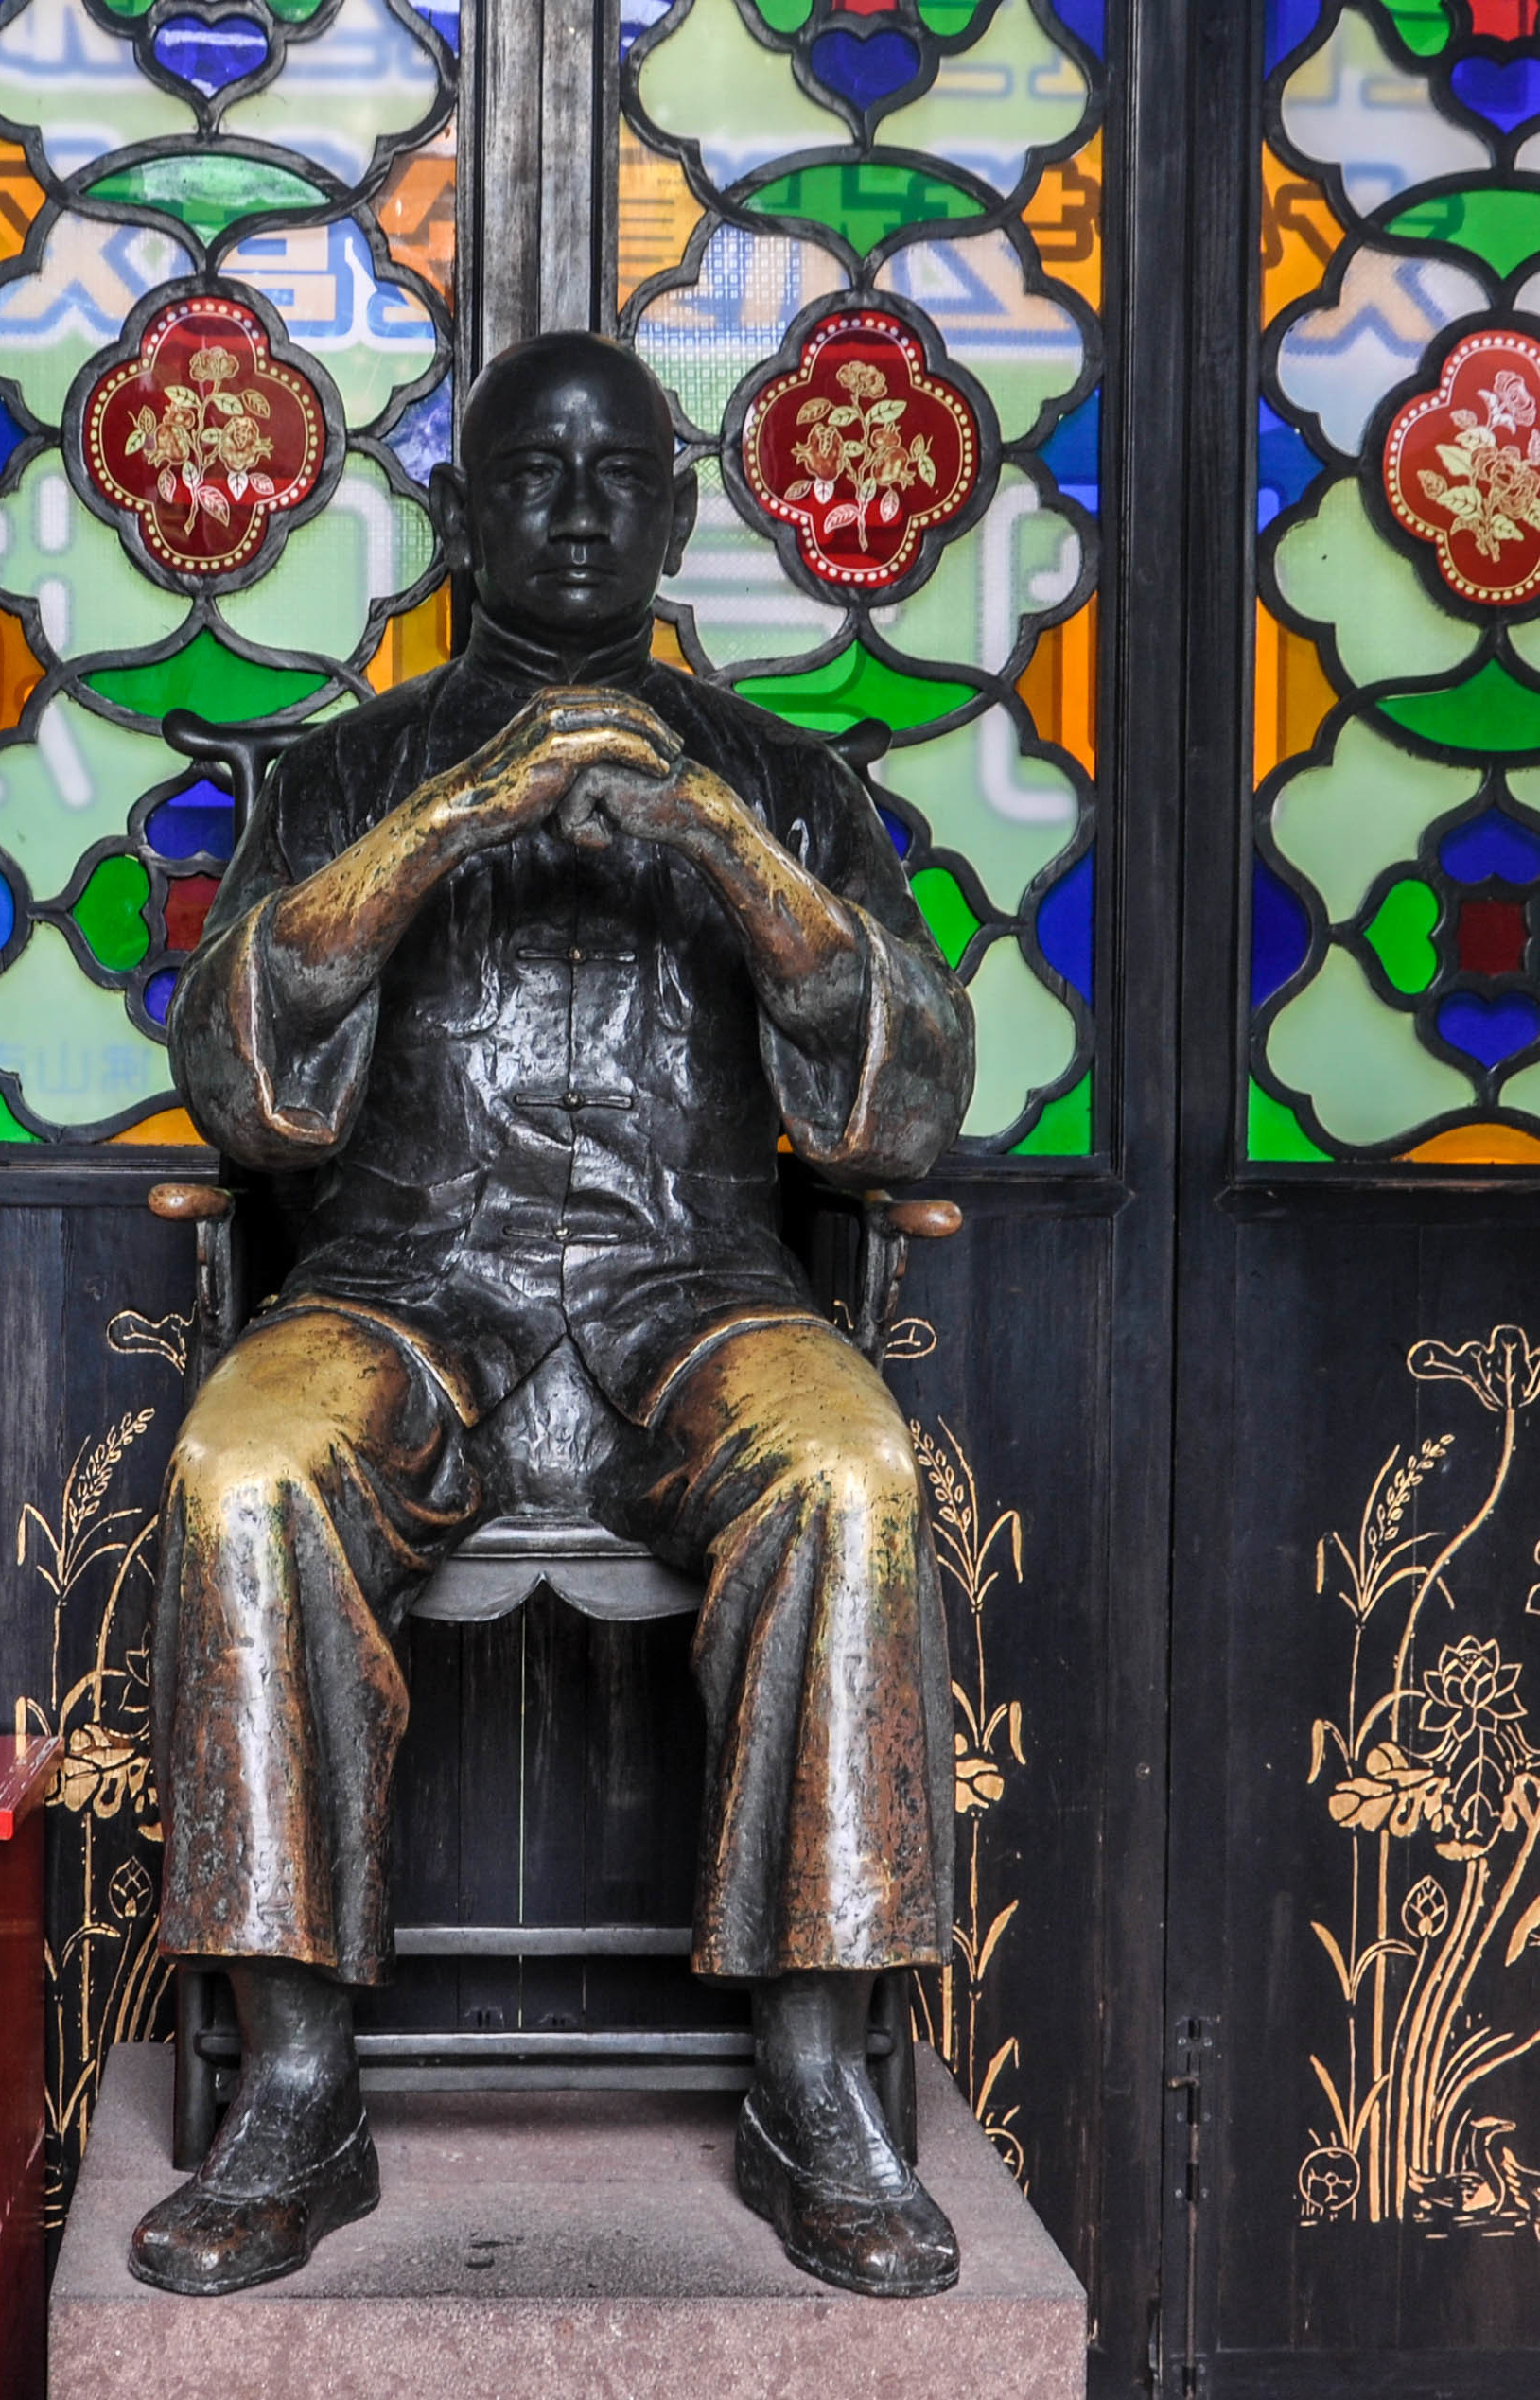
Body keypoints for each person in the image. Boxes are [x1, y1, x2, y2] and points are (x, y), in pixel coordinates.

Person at [128, 332, 977, 2301]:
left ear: (678, 519)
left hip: (698, 1292)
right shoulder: (344, 772)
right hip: (401, 1286)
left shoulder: (785, 779)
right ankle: (295, 2084)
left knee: (852, 1479)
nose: (577, 510)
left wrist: (721, 844)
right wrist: (443, 821)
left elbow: (909, 1109)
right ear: (457, 516)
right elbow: (242, 1089)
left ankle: (813, 2075)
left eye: (617, 478)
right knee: (242, 1472)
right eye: (531, 473)